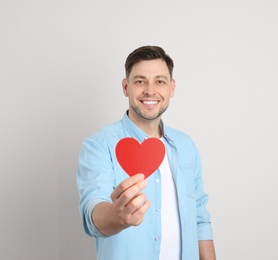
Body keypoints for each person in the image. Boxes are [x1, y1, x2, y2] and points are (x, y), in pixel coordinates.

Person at [76, 45, 216, 260]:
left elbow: (200, 217)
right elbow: (92, 213)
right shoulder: (99, 146)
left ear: (172, 88)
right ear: (125, 87)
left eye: (160, 81)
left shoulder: (186, 145)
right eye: (140, 81)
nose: (150, 91)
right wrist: (116, 215)